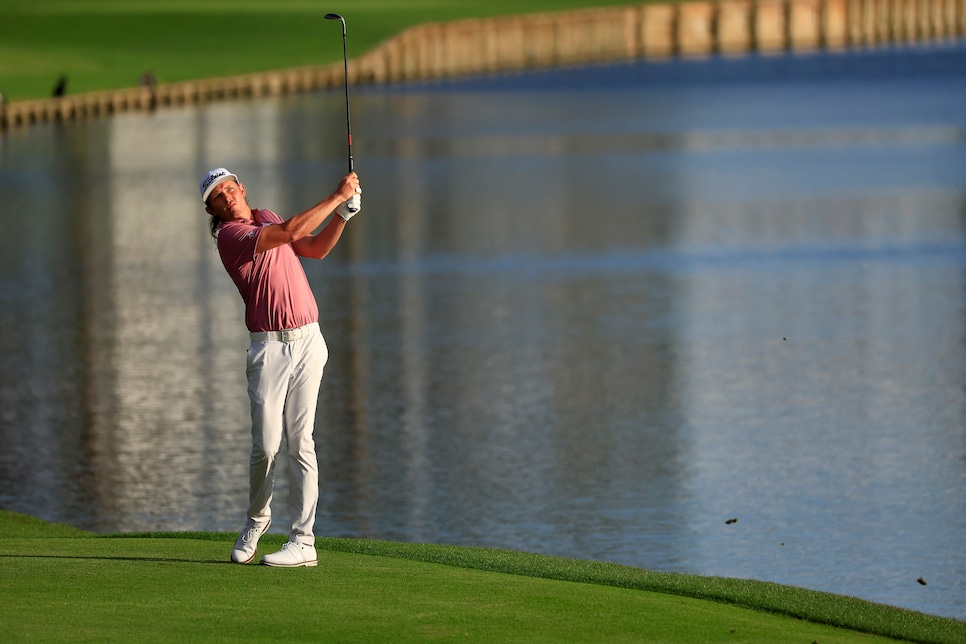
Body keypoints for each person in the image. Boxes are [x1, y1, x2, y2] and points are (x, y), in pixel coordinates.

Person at [200, 166, 361, 567]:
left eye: (228, 188)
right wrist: (337, 197)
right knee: (267, 446)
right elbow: (290, 233)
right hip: (268, 350)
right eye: (216, 197)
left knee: (301, 442)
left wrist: (342, 216)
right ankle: (257, 521)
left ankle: (303, 542)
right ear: (214, 211)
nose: (226, 197)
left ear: (241, 188)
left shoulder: (267, 216)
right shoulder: (232, 238)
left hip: (309, 342)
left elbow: (315, 248)